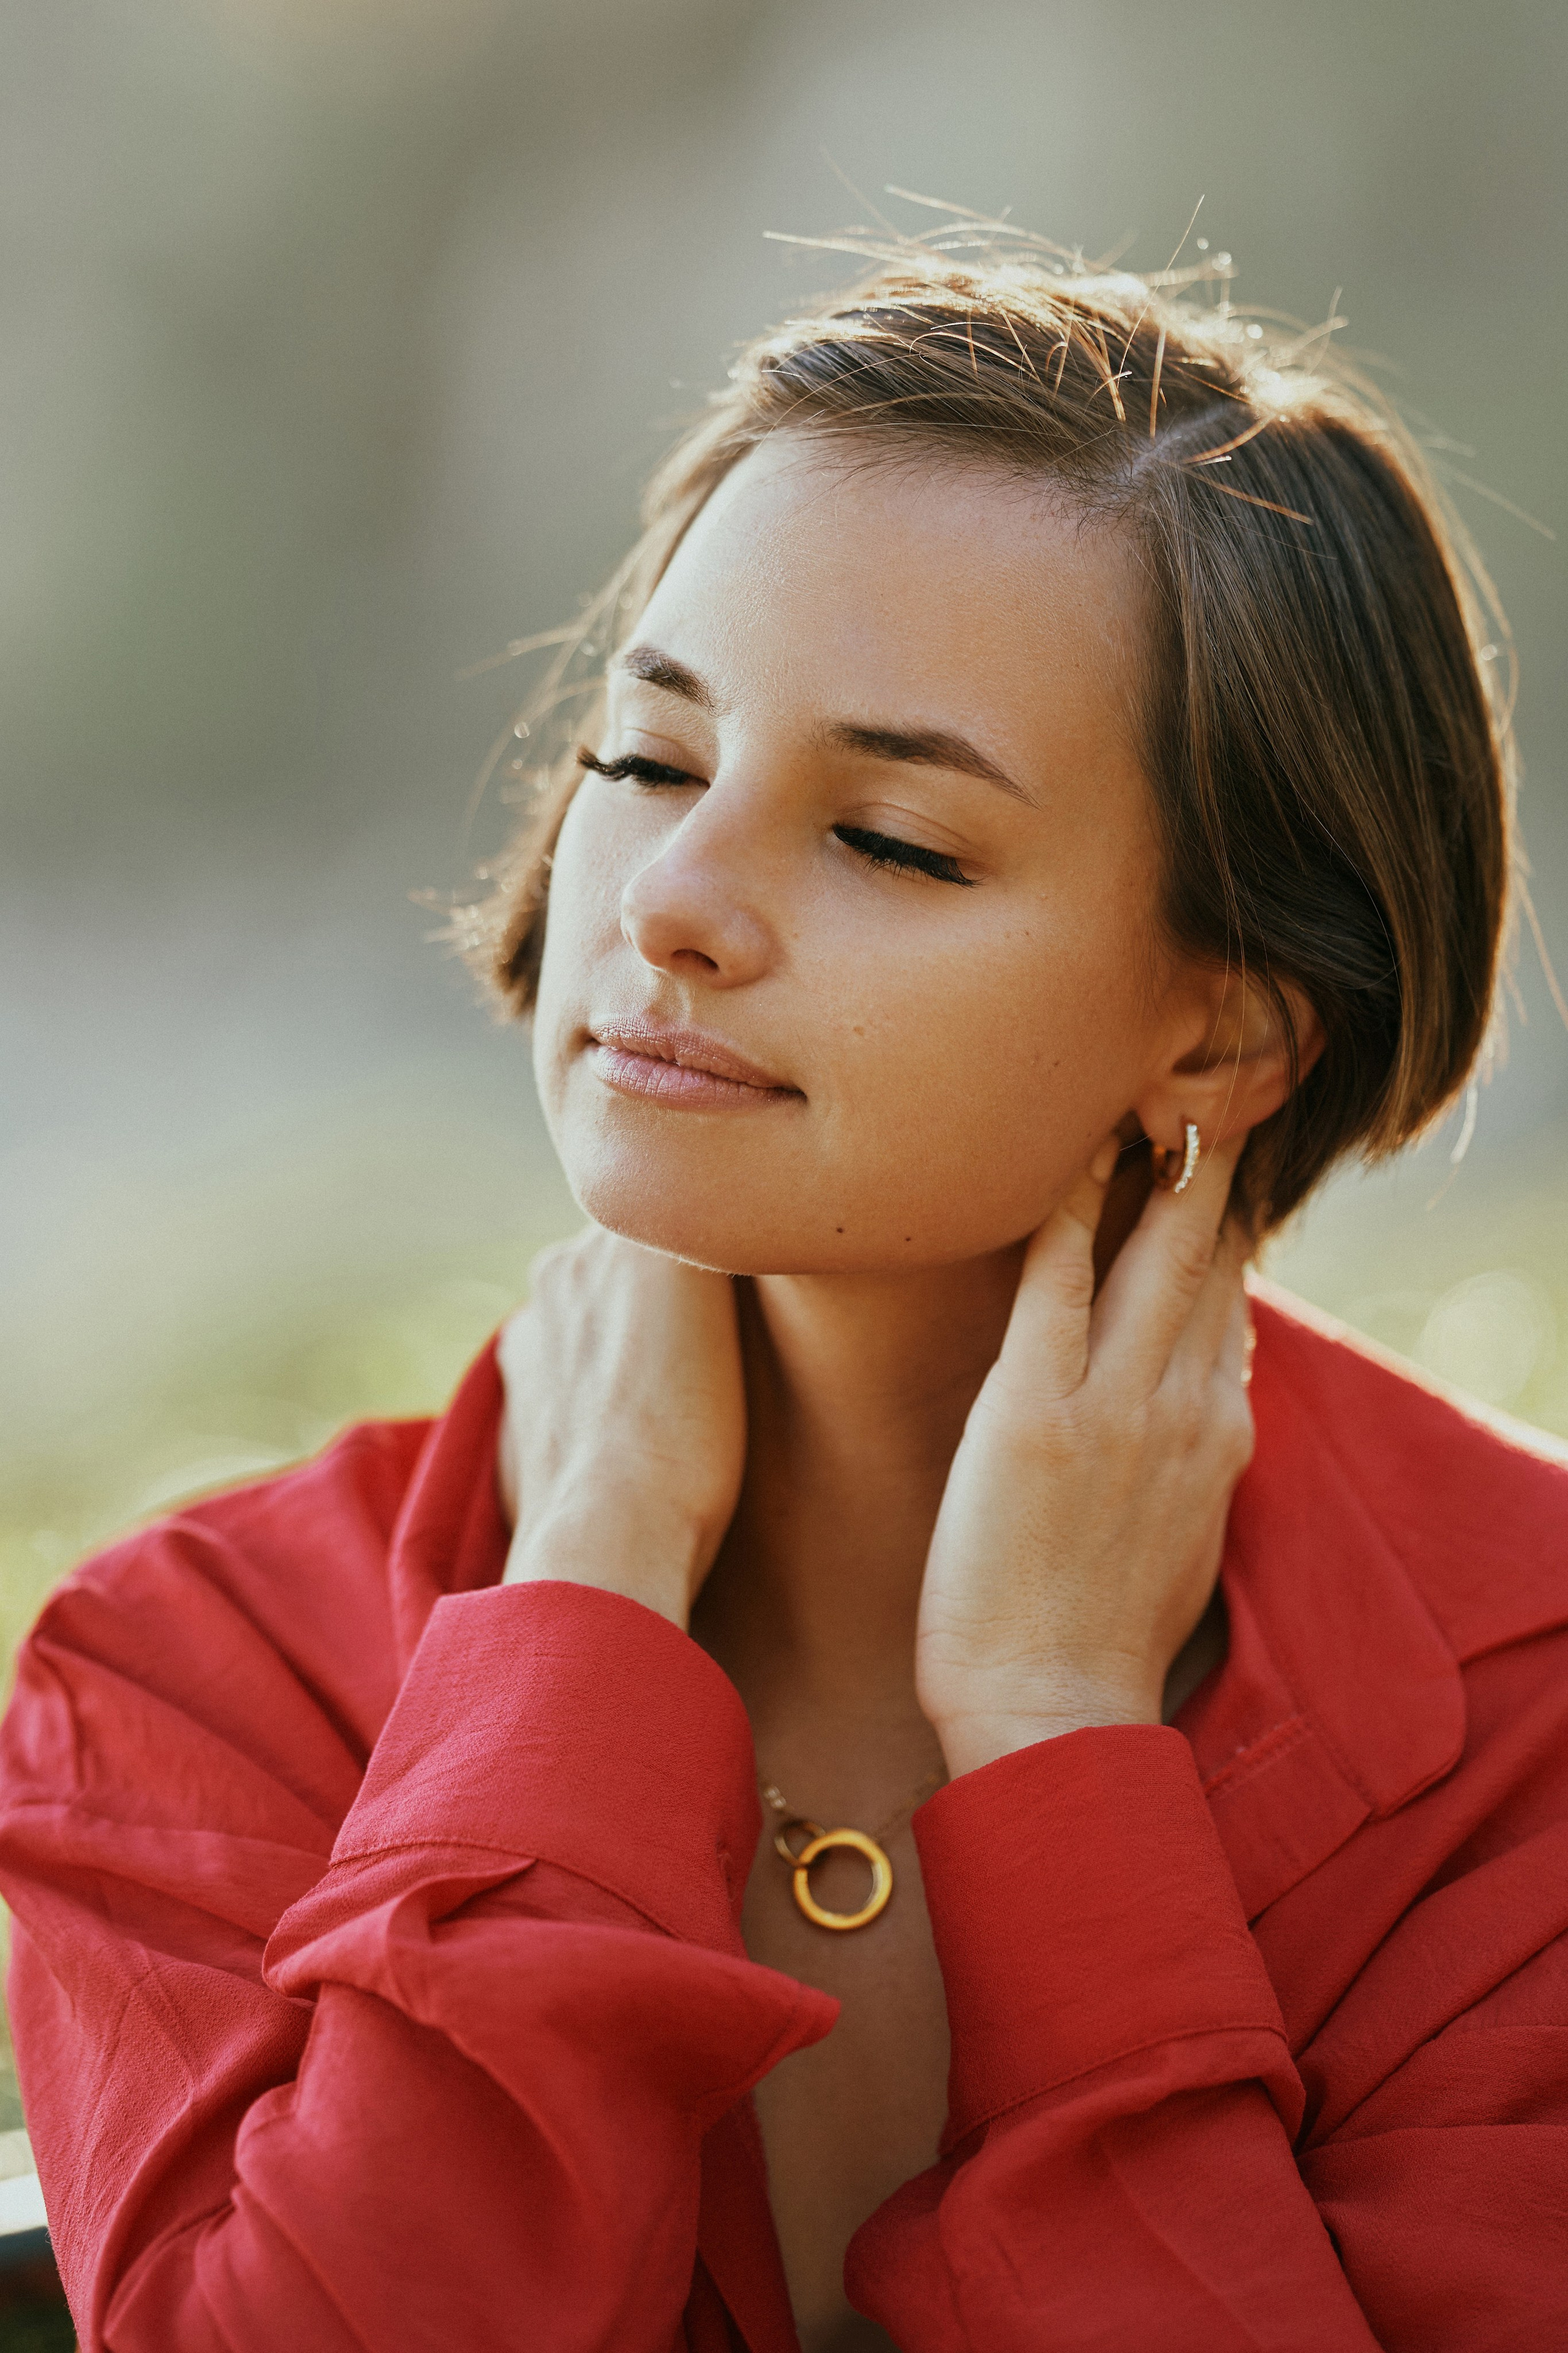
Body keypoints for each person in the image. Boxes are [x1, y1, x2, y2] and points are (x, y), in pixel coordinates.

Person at [2, 228, 1565, 2353]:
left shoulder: (1529, 1730)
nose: (670, 900)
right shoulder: (191, 1674)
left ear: (1223, 1034)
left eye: (896, 840)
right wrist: (585, 1600)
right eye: (650, 762)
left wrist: (1054, 1736)